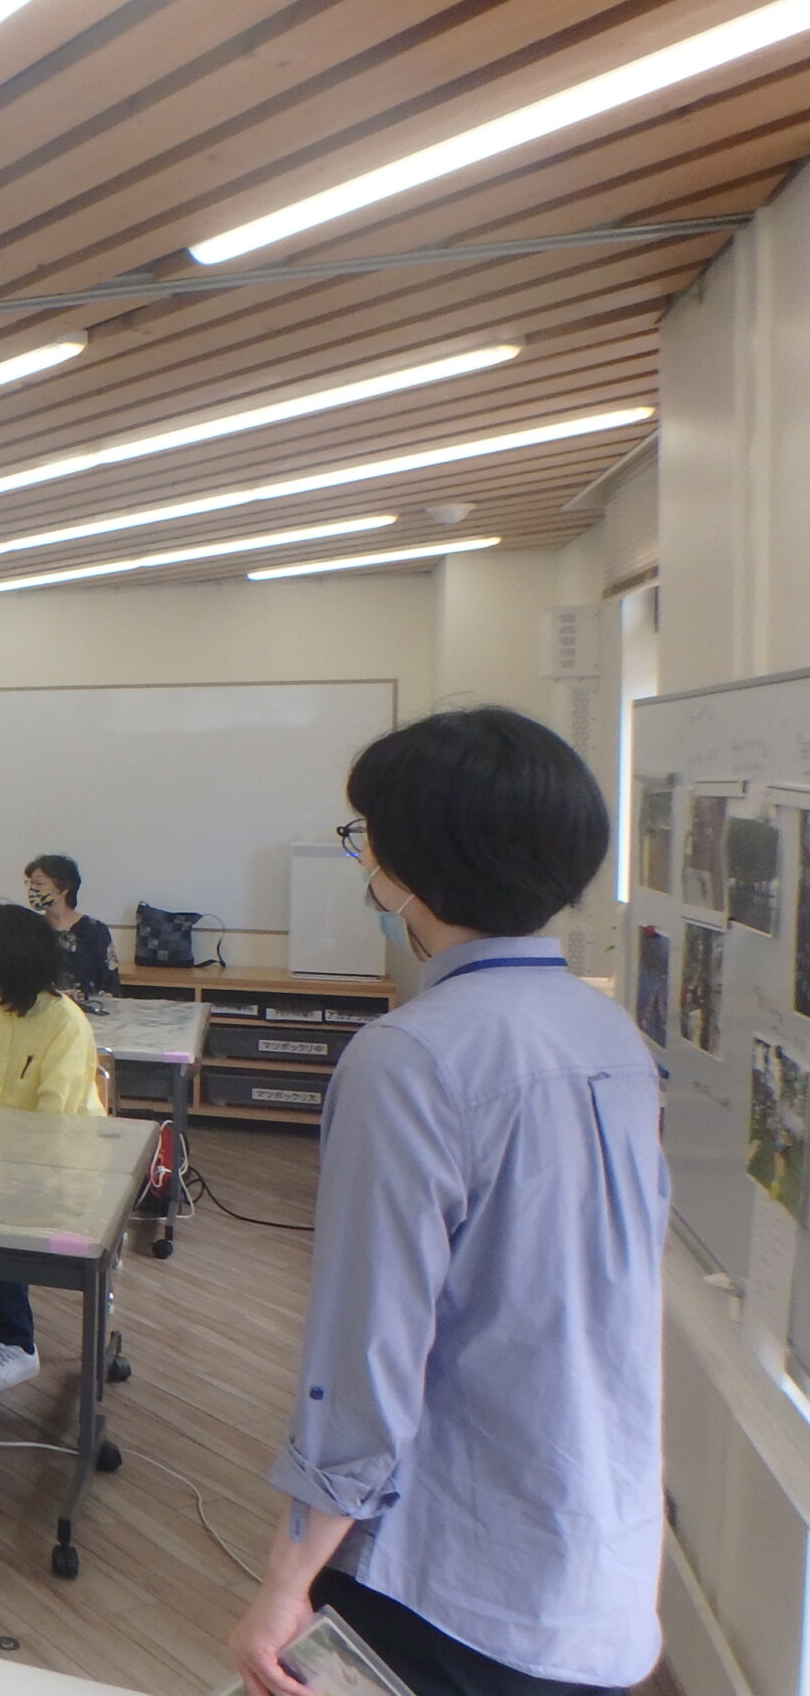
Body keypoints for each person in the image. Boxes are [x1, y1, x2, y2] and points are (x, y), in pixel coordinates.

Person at [228, 707, 665, 1696]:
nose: (364, 862)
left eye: (367, 837)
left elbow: (366, 1358)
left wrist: (285, 1581)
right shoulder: (611, 1036)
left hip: (448, 1572)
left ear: (409, 862)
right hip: (597, 1562)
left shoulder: (409, 1057)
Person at [0, 900, 103, 1394]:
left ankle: (18, 1343)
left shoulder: (65, 1023)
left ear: (7, 959)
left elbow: (54, 1118)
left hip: (56, 1164)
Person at [26, 853, 118, 996]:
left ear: (63, 889)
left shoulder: (94, 930)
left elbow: (109, 983)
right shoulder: (28, 929)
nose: (32, 889)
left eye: (39, 884)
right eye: (30, 883)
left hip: (86, 1007)